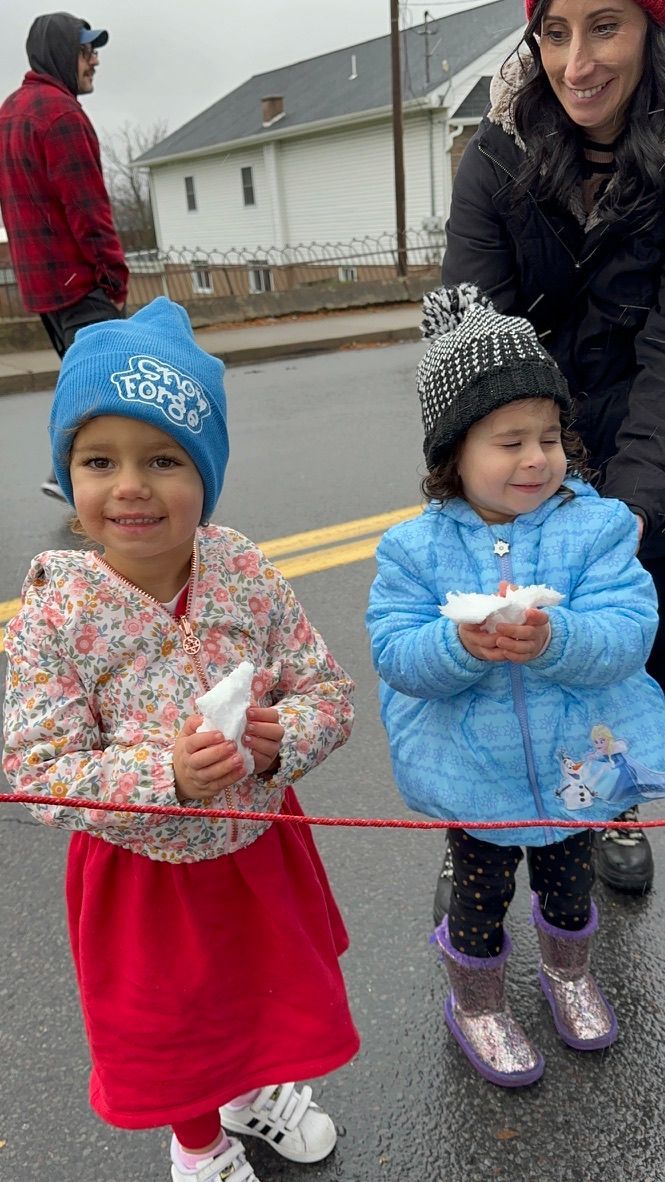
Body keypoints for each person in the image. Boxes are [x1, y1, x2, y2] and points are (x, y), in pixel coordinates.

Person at [2, 297, 359, 1182]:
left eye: (163, 458)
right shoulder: (56, 611)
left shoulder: (242, 568)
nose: (130, 485)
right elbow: (33, 772)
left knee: (262, 989)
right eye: (98, 460)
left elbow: (327, 690)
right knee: (176, 1024)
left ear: (206, 473)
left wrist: (282, 745)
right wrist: (165, 775)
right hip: (141, 879)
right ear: (67, 476)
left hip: (258, 846)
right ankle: (198, 1142)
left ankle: (255, 1094)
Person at [366, 284, 665, 1087]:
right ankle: (476, 1001)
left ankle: (568, 975)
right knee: (478, 898)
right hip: (474, 780)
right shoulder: (411, 550)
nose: (536, 458)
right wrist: (460, 644)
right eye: (507, 441)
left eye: (548, 436)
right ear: (451, 455)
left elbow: (629, 632)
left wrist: (553, 638)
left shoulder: (595, 529)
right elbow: (395, 652)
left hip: (578, 774)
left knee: (570, 887)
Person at [436, 0, 665, 907]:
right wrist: (497, 480)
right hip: (517, 423)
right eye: (554, 31)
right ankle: (474, 820)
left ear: (651, 30)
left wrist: (632, 507)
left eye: (604, 27)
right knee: (493, 636)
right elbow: (467, 338)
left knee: (616, 631)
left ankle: (599, 803)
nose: (576, 64)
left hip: (640, 420)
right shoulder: (494, 154)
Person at [0, 12, 128, 501]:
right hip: (80, 282)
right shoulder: (61, 116)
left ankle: (74, 475)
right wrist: (112, 278)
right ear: (60, 53)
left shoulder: (11, 111)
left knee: (89, 384)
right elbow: (88, 209)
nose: (94, 60)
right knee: (116, 386)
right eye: (85, 50)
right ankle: (74, 476)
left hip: (43, 286)